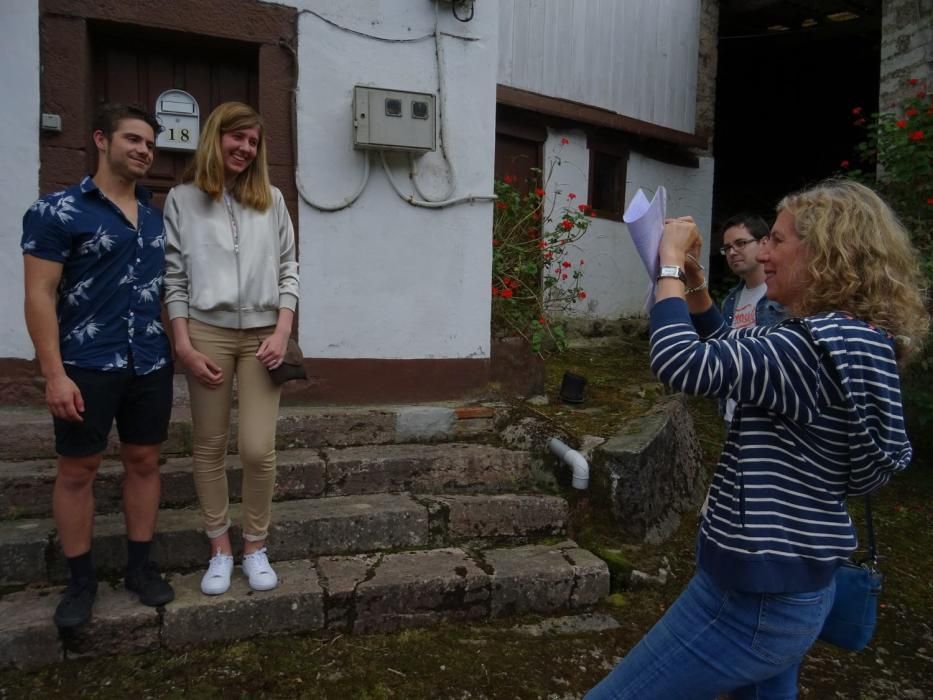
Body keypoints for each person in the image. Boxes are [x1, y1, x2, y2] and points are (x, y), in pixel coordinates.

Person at [587, 179, 929, 699]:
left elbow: (681, 364)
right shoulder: (851, 337)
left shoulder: (810, 348)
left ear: (826, 254)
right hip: (798, 583)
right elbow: (731, 350)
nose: (763, 252)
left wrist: (670, 266)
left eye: (778, 240)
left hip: (752, 601)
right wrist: (697, 289)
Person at [21, 103, 175, 628]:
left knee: (144, 462)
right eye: (133, 139)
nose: (144, 151)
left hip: (149, 359)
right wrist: (54, 373)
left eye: (150, 144)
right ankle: (81, 582)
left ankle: (139, 568)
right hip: (86, 362)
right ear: (101, 140)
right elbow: (39, 295)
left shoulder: (155, 217)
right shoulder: (57, 211)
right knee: (78, 470)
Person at [164, 102, 299, 596]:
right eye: (236, 137)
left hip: (265, 336)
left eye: (253, 141)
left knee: (258, 449)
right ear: (214, 137)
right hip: (207, 334)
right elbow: (175, 278)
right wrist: (183, 344)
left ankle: (255, 546)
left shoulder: (273, 199)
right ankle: (220, 547)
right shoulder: (181, 199)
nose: (245, 148)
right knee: (210, 444)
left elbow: (289, 268)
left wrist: (283, 330)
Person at [718, 213, 786, 422]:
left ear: (764, 242)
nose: (732, 252)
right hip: (733, 416)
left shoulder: (784, 297)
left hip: (768, 417)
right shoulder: (729, 301)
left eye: (740, 243)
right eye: (727, 248)